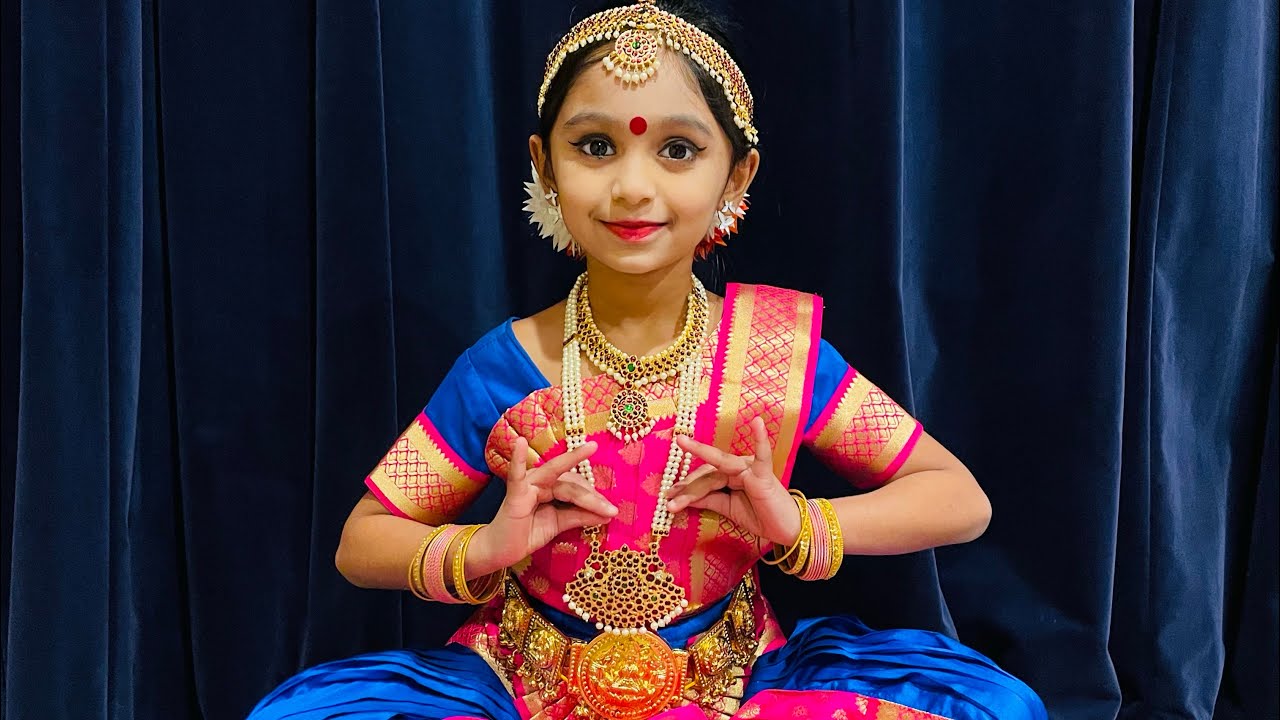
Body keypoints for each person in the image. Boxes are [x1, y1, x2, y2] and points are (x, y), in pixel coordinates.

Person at [250, 1, 1047, 718]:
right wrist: (483, 548)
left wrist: (802, 522)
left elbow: (958, 498)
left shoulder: (775, 355)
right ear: (543, 166)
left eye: (676, 149)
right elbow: (363, 541)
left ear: (737, 174)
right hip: (524, 686)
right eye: (595, 146)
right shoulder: (505, 367)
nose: (634, 187)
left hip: (736, 685)